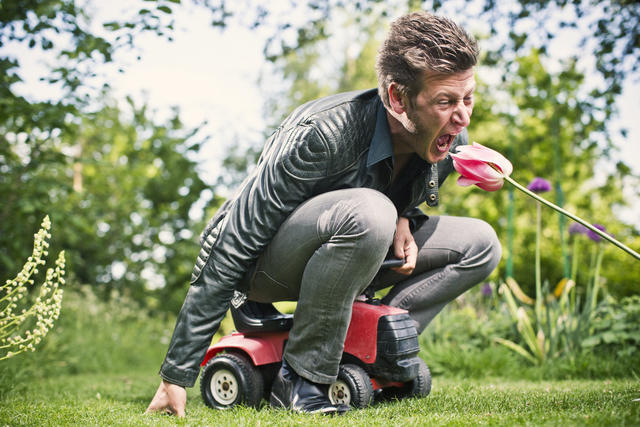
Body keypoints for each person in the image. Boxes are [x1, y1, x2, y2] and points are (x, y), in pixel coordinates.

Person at [145, 11, 501, 416]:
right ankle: (302, 378)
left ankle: (374, 349)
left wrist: (406, 217)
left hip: (358, 241)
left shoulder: (447, 137)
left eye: (467, 98)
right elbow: (234, 243)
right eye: (446, 101)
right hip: (264, 265)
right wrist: (178, 372)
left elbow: (401, 191)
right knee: (371, 211)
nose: (463, 116)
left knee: (479, 244)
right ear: (398, 97)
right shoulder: (323, 134)